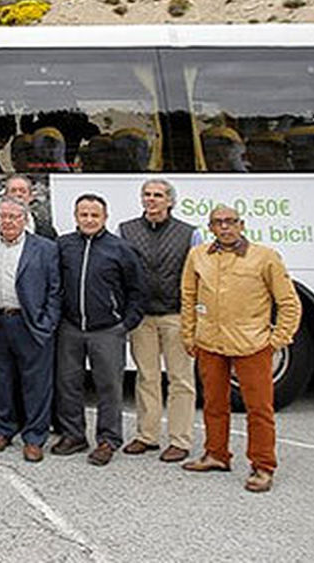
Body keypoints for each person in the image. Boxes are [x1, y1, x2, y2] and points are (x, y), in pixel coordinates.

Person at [181, 205, 300, 493]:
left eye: (230, 222)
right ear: (210, 228)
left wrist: (278, 340)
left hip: (252, 345)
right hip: (210, 343)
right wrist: (189, 335)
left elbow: (288, 303)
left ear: (241, 224)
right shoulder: (198, 256)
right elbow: (188, 296)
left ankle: (262, 465)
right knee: (213, 403)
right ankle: (216, 454)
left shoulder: (265, 257)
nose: (225, 227)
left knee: (259, 409)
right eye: (218, 223)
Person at [53, 194, 144, 466]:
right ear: (76, 217)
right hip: (70, 328)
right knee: (68, 384)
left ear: (105, 217)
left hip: (107, 330)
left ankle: (108, 440)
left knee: (109, 387)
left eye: (95, 215)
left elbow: (137, 291)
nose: (89, 220)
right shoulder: (63, 246)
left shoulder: (121, 249)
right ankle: (73, 435)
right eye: (84, 215)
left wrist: (124, 325)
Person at [117, 179, 198, 463]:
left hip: (176, 316)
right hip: (142, 318)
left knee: (180, 380)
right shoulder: (126, 230)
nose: (151, 200)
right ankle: (147, 436)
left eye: (158, 196)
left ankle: (180, 440)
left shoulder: (189, 234)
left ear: (170, 201)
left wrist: (193, 317)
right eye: (147, 195)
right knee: (147, 377)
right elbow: (121, 275)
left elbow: (194, 278)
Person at [0, 198, 62, 462]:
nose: (8, 221)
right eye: (4, 216)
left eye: (15, 217)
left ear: (25, 219)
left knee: (36, 383)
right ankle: (3, 429)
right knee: (1, 381)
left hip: (31, 324)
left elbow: (55, 289)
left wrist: (47, 322)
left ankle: (34, 437)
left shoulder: (45, 248)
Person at [0, 174, 58, 239]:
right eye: (13, 191)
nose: (18, 194)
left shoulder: (46, 230)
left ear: (31, 197)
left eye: (23, 191)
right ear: (5, 196)